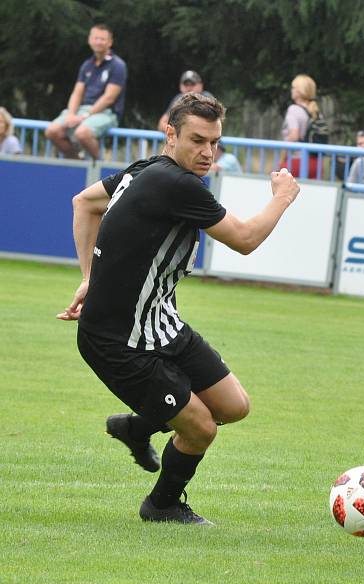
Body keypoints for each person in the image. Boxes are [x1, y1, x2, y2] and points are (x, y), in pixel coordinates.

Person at [56, 93, 300, 525]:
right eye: (197, 140)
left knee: (233, 406)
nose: (207, 153)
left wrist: (88, 278)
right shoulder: (176, 183)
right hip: (116, 341)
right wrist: (282, 197)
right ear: (170, 133)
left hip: (160, 323)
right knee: (201, 427)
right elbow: (244, 239)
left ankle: (138, 426)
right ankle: (162, 505)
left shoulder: (146, 169)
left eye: (215, 143)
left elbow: (85, 203)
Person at [44, 24, 127, 160]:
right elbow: (77, 93)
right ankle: (78, 163)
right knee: (52, 131)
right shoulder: (87, 65)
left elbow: (109, 98)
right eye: (95, 38)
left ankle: (100, 168)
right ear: (89, 40)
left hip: (106, 113)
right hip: (82, 111)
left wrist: (84, 116)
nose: (98, 42)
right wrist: (71, 114)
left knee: (82, 133)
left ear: (110, 42)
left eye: (102, 39)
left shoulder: (118, 65)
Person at [280, 74, 320, 179]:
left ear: (300, 91)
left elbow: (294, 135)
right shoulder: (315, 110)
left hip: (296, 162)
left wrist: (282, 157)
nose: (291, 90)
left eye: (293, 88)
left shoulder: (294, 109)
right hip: (316, 164)